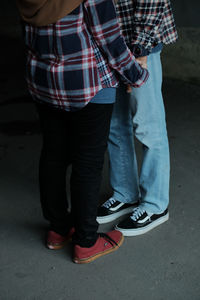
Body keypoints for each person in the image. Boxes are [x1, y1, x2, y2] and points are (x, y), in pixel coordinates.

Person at [16, 0, 148, 263]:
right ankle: (86, 242)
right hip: (87, 83)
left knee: (53, 154)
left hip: (43, 82)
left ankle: (58, 229)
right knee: (87, 164)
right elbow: (110, 40)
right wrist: (137, 75)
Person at [97, 0, 178, 236]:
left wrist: (141, 48)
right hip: (110, 43)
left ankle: (155, 205)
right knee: (114, 123)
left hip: (140, 43)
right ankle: (125, 194)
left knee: (148, 124)